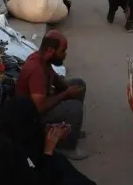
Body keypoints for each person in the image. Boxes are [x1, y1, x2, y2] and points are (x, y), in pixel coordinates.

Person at [15, 31, 87, 160]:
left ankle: (71, 130)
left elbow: (54, 78)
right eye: (62, 51)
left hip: (41, 101)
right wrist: (66, 94)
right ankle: (64, 147)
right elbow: (39, 108)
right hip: (32, 117)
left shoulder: (43, 59)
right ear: (50, 50)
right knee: (74, 108)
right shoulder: (36, 69)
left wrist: (67, 88)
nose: (65, 55)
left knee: (79, 84)